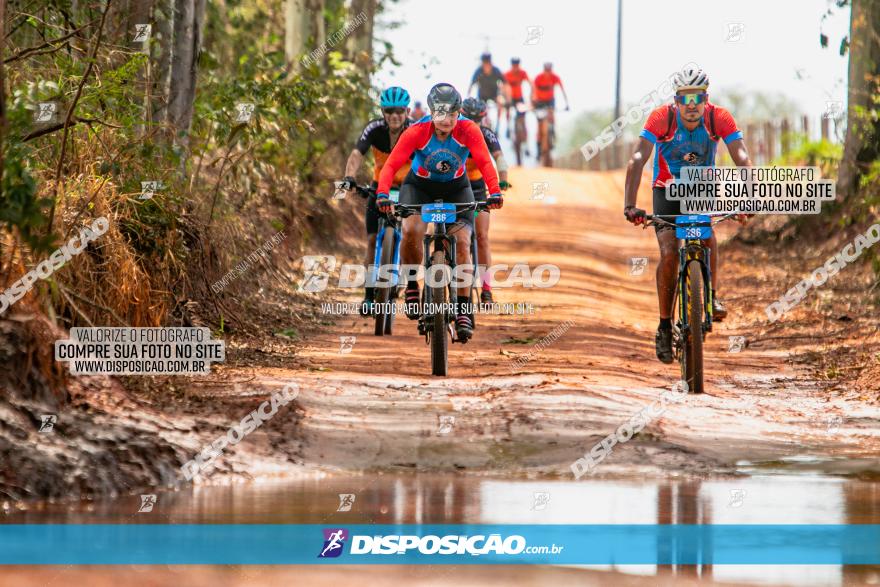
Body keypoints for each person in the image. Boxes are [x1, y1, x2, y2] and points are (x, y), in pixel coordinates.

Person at [622, 65, 753, 363]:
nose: (691, 106)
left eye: (698, 98)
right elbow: (639, 157)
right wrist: (630, 204)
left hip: (699, 189)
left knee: (706, 235)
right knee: (669, 253)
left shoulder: (718, 117)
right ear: (676, 100)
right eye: (685, 99)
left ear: (706, 98)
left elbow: (741, 156)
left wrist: (749, 198)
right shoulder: (661, 117)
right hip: (666, 190)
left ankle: (712, 294)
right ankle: (665, 325)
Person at [375, 83, 504, 342]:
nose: (446, 120)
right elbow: (391, 165)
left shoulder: (469, 130)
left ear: (459, 113)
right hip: (419, 187)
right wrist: (383, 194)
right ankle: (412, 285)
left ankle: (464, 309)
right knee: (411, 231)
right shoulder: (416, 131)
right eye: (440, 114)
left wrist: (495, 191)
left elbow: (484, 161)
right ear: (432, 113)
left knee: (464, 244)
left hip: (457, 188)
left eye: (452, 114)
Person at [341, 86, 412, 314]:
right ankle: (369, 294)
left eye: (399, 111)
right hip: (379, 188)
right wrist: (349, 177)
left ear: (407, 111)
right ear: (382, 111)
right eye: (389, 111)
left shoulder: (415, 131)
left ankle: (407, 278)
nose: (394, 116)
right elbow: (356, 154)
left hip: (408, 189)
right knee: (372, 240)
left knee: (411, 235)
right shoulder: (374, 128)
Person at [461, 97, 510, 304]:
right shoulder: (453, 132)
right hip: (454, 186)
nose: (472, 123)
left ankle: (487, 289)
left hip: (478, 188)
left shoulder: (487, 134)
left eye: (477, 120)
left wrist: (503, 180)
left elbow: (498, 157)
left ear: (483, 119)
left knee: (481, 237)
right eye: (468, 118)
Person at [531, 62, 569, 153]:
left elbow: (562, 89)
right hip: (539, 102)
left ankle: (553, 134)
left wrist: (567, 103)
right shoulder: (538, 78)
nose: (548, 73)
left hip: (550, 101)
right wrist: (534, 101)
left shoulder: (555, 77)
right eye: (546, 71)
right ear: (543, 70)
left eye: (549, 71)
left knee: (552, 115)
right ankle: (538, 145)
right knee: (539, 124)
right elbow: (533, 91)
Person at [468, 52, 506, 132]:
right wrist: (468, 97)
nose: (486, 65)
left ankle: (498, 125)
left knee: (501, 102)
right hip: (482, 96)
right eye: (484, 63)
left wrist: (505, 96)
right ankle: (482, 124)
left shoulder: (496, 70)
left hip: (494, 95)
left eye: (487, 63)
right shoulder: (478, 71)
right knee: (480, 111)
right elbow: (471, 85)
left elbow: (505, 83)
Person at [503, 57, 531, 141]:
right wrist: (506, 98)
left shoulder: (522, 73)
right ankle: (508, 127)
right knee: (507, 110)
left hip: (519, 98)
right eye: (514, 65)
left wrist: (532, 95)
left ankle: (525, 136)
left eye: (517, 65)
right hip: (510, 98)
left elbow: (530, 83)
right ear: (511, 65)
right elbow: (504, 87)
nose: (516, 67)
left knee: (523, 117)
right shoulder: (507, 74)